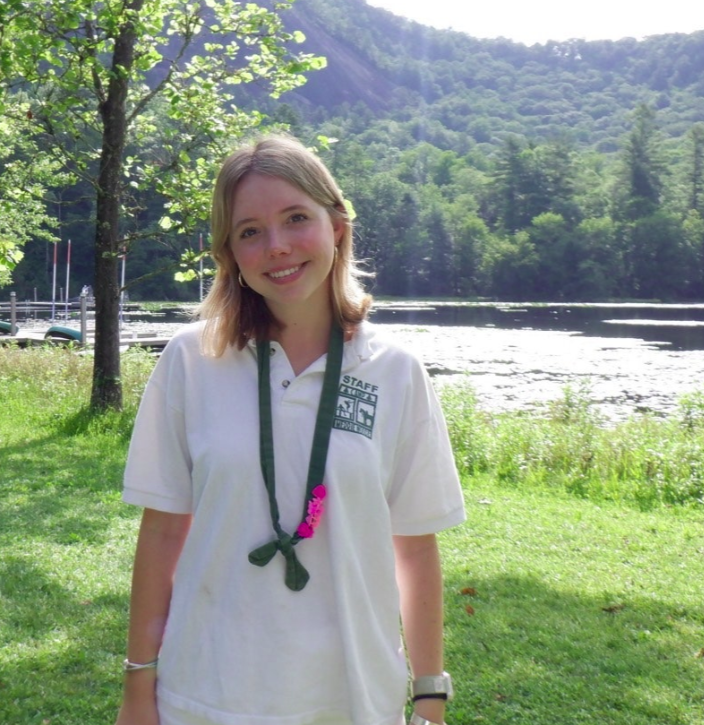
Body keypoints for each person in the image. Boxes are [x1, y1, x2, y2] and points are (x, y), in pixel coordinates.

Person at [116, 135, 466, 725]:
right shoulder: (191, 360)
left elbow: (415, 545)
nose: (276, 247)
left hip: (353, 699)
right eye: (250, 230)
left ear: (337, 226)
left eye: (295, 218)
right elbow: (162, 534)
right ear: (229, 252)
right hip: (206, 695)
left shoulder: (395, 370)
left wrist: (429, 697)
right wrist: (138, 686)